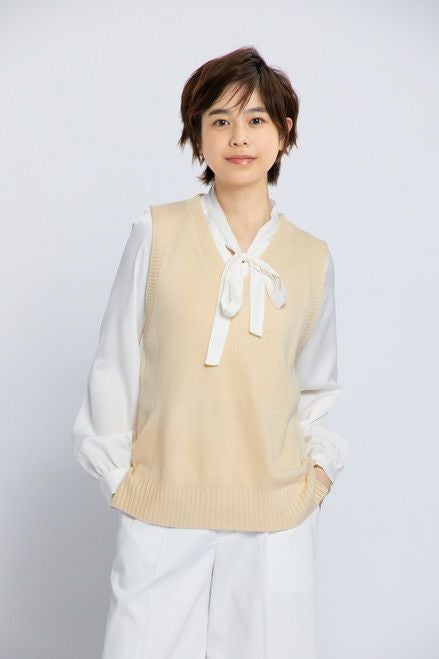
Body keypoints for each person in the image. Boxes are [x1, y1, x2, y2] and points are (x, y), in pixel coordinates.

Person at [72, 46, 351, 659]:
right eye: (219, 120)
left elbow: (316, 385)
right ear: (197, 136)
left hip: (276, 515)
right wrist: (119, 476)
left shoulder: (312, 258)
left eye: (256, 119)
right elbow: (115, 363)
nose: (238, 137)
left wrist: (317, 475)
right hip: (163, 506)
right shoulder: (156, 232)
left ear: (284, 132)